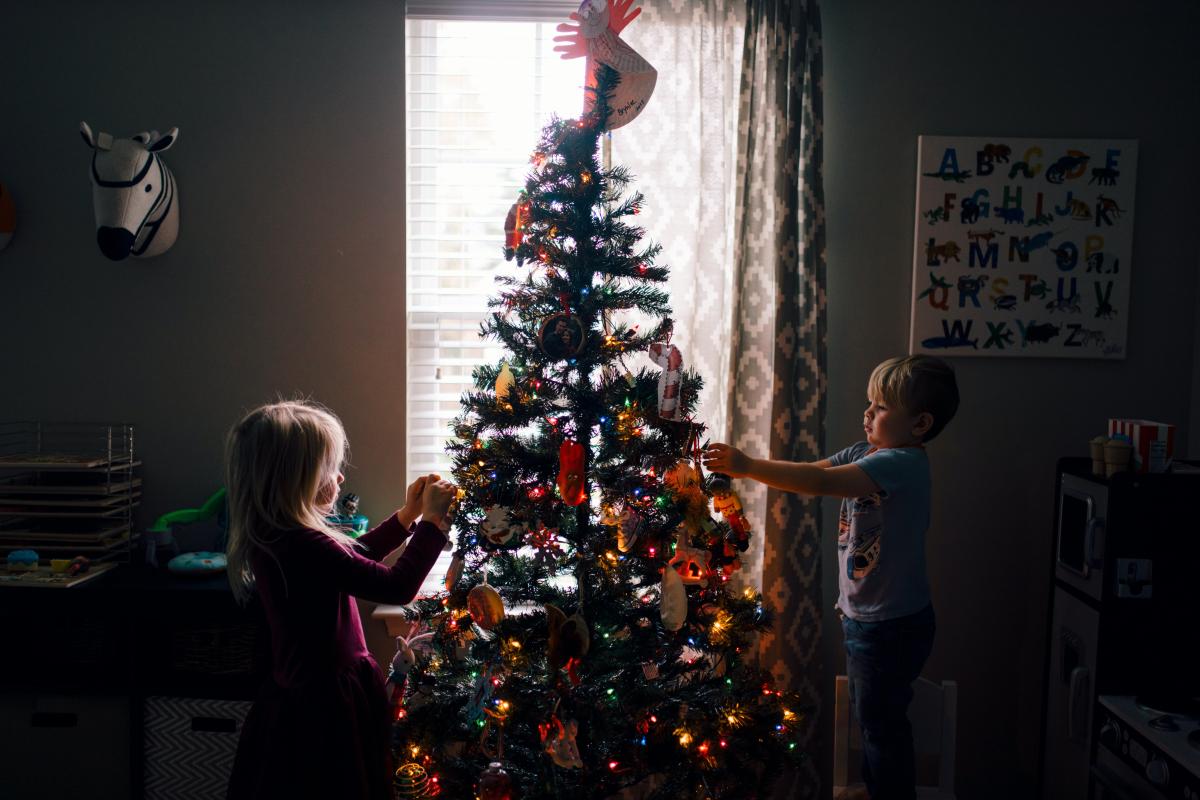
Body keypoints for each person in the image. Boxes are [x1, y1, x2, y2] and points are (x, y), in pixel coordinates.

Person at [703, 355, 959, 800]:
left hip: (890, 625)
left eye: (880, 408)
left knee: (881, 726)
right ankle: (881, 788)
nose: (867, 414)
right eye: (869, 403)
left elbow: (820, 486)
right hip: (870, 619)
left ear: (919, 424)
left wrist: (746, 466)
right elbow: (817, 471)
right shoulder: (867, 453)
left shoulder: (902, 464)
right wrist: (749, 465)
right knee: (875, 719)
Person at [223, 400, 455, 800]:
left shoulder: (283, 536)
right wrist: (432, 525)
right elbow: (397, 587)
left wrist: (406, 517)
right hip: (324, 707)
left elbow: (353, 559)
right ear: (295, 480)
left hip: (309, 697)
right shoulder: (303, 544)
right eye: (329, 470)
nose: (340, 476)